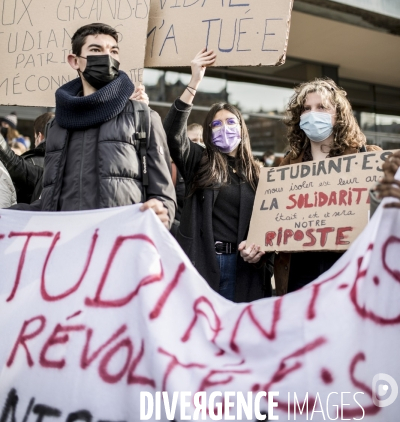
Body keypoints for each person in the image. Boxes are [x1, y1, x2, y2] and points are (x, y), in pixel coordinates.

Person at [25, 23, 176, 226]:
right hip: (68, 246)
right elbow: (49, 202)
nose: (107, 57)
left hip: (119, 245)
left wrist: (162, 212)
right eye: (96, 50)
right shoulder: (57, 127)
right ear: (75, 61)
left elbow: (164, 196)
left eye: (113, 51)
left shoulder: (143, 117)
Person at [164, 48, 274, 302]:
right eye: (216, 124)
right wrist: (194, 82)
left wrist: (262, 249)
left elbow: (269, 220)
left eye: (230, 122)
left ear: (242, 129)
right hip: (206, 262)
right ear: (208, 133)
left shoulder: (258, 173)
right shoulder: (200, 161)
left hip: (246, 268)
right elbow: (172, 134)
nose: (224, 128)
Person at [275, 78, 381, 295]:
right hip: (299, 268)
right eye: (306, 109)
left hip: (349, 267)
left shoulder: (368, 158)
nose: (313, 114)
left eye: (322, 107)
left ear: (338, 115)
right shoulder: (287, 165)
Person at [0, 112, 54, 204]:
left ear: (39, 137)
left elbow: (14, 164)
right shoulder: (67, 166)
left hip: (25, 215)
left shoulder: (30, 162)